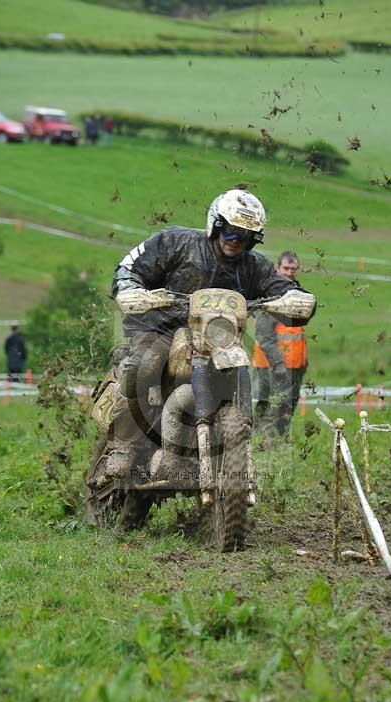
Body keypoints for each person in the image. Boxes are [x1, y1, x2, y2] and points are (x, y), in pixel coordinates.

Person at [108, 189, 316, 486]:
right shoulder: (176, 242)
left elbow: (279, 285)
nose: (235, 241)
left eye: (244, 236)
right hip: (164, 328)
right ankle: (125, 445)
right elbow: (129, 266)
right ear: (216, 224)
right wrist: (131, 289)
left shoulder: (253, 266)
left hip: (220, 338)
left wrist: (295, 298)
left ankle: (228, 459)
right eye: (230, 231)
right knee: (145, 363)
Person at [252, 251, 308, 436]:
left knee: (286, 409)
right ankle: (262, 448)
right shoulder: (271, 295)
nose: (290, 272)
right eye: (286, 268)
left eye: (293, 269)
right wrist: (278, 365)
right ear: (278, 268)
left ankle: (278, 444)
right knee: (269, 409)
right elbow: (264, 337)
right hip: (271, 366)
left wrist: (303, 363)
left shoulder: (296, 294)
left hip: (295, 365)